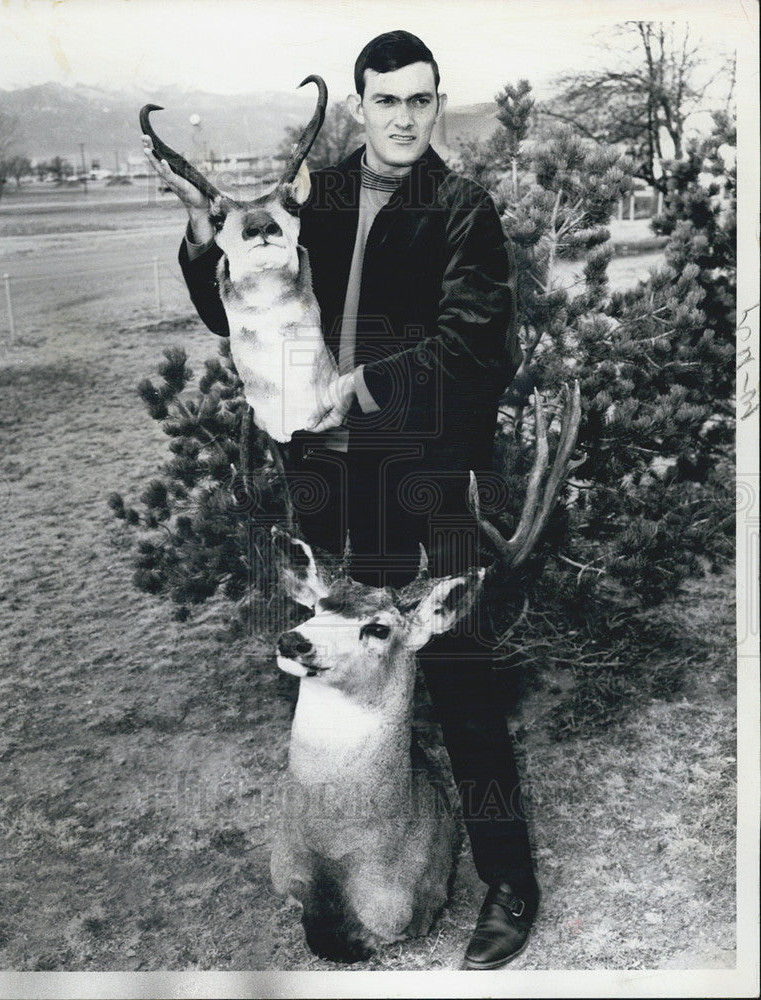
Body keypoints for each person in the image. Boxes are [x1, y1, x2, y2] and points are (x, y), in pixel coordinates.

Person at [143, 29, 538, 970]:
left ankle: (509, 880)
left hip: (425, 472)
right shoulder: (311, 203)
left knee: (463, 682)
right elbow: (241, 304)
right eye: (388, 99)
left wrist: (358, 388)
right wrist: (205, 244)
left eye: (422, 99)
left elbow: (474, 347)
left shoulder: (462, 211)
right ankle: (337, 867)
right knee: (331, 667)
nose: (405, 117)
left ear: (437, 105)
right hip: (322, 478)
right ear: (360, 104)